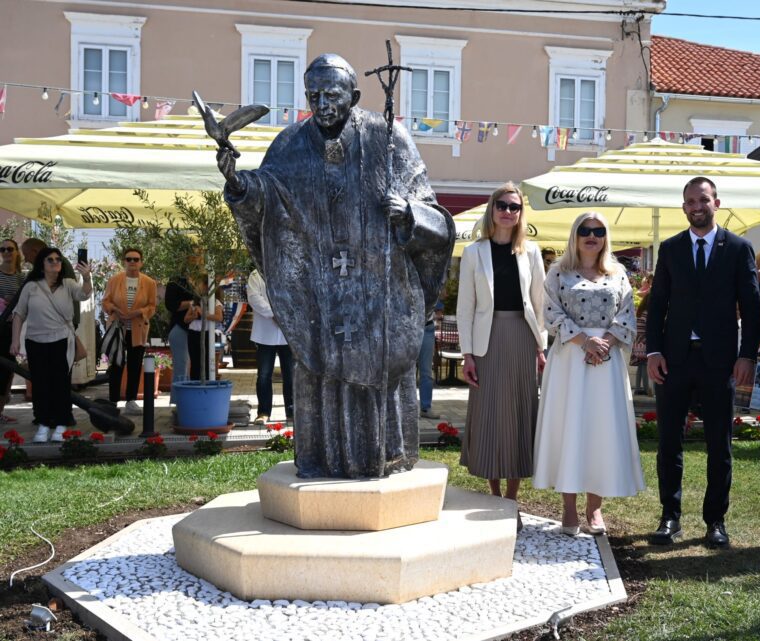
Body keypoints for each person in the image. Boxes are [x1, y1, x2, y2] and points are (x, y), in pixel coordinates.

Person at [217, 53, 455, 479]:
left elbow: (434, 216)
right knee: (323, 373)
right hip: (321, 295)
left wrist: (409, 215)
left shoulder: (390, 139)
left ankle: (388, 458)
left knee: (378, 369)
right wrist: (237, 184)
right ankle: (324, 459)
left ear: (355, 95)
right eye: (313, 96)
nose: (322, 104)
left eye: (332, 94)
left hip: (379, 295)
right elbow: (267, 197)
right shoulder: (289, 145)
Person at [645, 176, 760, 548]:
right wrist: (653, 351)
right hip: (674, 362)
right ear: (683, 207)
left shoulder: (739, 248)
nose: (697, 206)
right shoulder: (671, 248)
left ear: (717, 203)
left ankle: (716, 521)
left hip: (720, 363)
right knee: (669, 443)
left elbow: (753, 307)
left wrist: (747, 355)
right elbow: (658, 304)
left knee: (719, 444)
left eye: (704, 199)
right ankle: (670, 516)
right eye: (691, 201)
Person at [532, 212, 644, 536]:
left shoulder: (619, 273)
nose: (591, 236)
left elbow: (627, 314)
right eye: (585, 230)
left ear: (605, 236)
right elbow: (550, 313)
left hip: (606, 365)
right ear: (575, 235)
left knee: (601, 431)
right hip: (570, 359)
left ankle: (594, 508)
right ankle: (568, 507)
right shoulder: (558, 273)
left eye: (598, 231)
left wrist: (604, 343)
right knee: (570, 427)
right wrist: (585, 341)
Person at [458, 182, 547, 518]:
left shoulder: (532, 252)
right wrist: (467, 354)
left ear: (521, 213)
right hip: (486, 341)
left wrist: (541, 347)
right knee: (489, 414)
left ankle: (512, 497)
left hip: (523, 340)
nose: (508, 212)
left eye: (515, 207)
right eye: (502, 206)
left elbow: (540, 305)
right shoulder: (473, 253)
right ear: (492, 209)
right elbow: (465, 307)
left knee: (521, 414)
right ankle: (494, 494)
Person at [9, 247, 92, 442]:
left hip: (62, 340)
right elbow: (19, 314)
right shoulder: (31, 287)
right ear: (42, 264)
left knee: (61, 384)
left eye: (58, 259)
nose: (55, 262)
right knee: (40, 385)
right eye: (50, 259)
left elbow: (84, 295)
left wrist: (86, 278)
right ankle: (43, 424)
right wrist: (15, 341)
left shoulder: (68, 284)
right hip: (35, 341)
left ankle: (61, 424)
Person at [101, 248, 157, 416]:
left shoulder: (149, 283)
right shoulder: (114, 280)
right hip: (118, 328)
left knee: (134, 364)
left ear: (141, 262)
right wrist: (115, 310)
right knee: (116, 364)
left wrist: (139, 312)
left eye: (136, 259)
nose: (132, 262)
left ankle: (131, 401)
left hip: (138, 328)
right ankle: (113, 400)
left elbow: (152, 306)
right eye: (129, 259)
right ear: (124, 261)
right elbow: (105, 302)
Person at [246, 268, 293, 424]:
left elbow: (297, 294)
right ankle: (264, 411)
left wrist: (285, 315)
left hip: (288, 333)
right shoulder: (256, 275)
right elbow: (254, 298)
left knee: (291, 375)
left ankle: (292, 411)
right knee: (264, 375)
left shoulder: (289, 268)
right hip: (265, 333)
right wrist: (274, 314)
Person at [0, 239, 25, 423]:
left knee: (8, 369)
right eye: (3, 249)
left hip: (12, 328)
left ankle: (0, 410)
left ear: (17, 252)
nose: (7, 252)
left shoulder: (22, 278)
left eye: (10, 248)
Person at [164, 274, 194, 403]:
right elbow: (171, 305)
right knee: (181, 367)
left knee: (186, 367)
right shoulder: (176, 281)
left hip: (194, 330)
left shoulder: (204, 279)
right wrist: (194, 303)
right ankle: (179, 402)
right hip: (180, 328)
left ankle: (184, 401)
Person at [186, 288, 223, 381]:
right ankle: (194, 383)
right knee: (194, 362)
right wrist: (193, 316)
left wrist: (203, 313)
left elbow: (219, 317)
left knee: (206, 360)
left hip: (207, 333)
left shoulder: (215, 302)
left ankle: (205, 383)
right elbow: (185, 319)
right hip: (193, 333)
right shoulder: (194, 303)